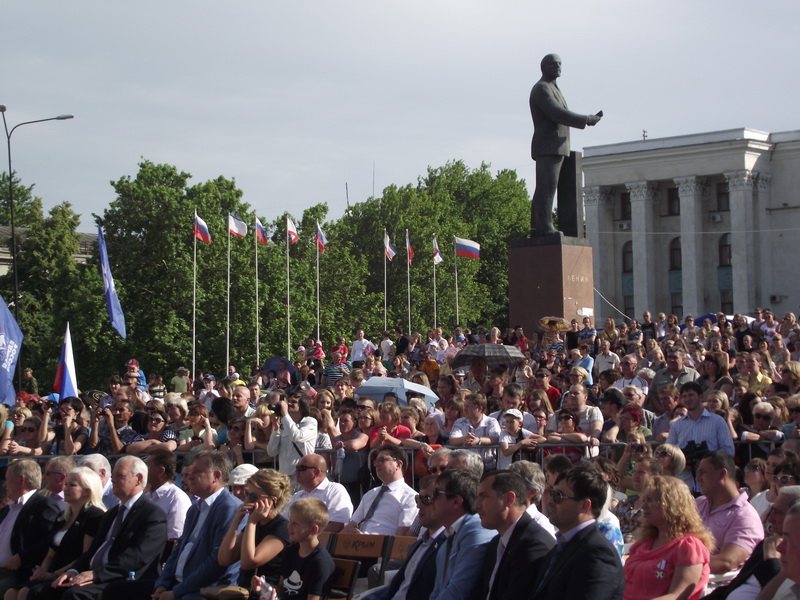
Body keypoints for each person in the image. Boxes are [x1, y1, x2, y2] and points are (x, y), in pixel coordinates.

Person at [33, 456, 167, 600]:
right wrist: (74, 570)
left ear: (138, 479)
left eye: (120, 475)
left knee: (74, 595)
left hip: (125, 580)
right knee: (39, 592)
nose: (113, 480)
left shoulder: (152, 515)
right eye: (113, 475)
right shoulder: (111, 514)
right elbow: (93, 550)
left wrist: (96, 574)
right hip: (97, 577)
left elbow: (136, 557)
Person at [529, 53, 601, 236]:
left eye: (560, 64)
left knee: (550, 187)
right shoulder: (541, 88)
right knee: (547, 187)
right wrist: (586, 119)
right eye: (553, 64)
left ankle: (539, 226)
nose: (558, 66)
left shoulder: (554, 88)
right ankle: (543, 227)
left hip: (558, 146)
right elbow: (557, 113)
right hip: (548, 146)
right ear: (544, 67)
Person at [533, 463, 624, 600]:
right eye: (551, 493)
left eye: (558, 496)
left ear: (585, 505)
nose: (550, 501)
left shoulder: (598, 554)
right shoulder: (562, 545)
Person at [14, 467, 106, 600]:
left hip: (71, 575)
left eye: (72, 485)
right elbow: (50, 554)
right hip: (52, 573)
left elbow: (85, 555)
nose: (66, 488)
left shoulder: (94, 516)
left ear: (87, 491)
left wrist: (53, 574)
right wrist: (42, 571)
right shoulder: (63, 517)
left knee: (27, 593)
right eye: (66, 484)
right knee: (12, 592)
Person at [624, 476, 714, 600]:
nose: (643, 506)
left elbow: (677, 596)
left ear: (671, 505)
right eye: (644, 500)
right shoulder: (644, 543)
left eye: (650, 500)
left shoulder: (688, 546)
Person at [472, 470, 555, 600]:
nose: (476, 505)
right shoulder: (497, 543)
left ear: (509, 499)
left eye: (484, 497)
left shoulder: (533, 546)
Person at [361, 475, 445, 600]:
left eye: (426, 499)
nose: (418, 505)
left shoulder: (447, 545)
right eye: (418, 499)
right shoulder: (420, 544)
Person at [218, 468, 293, 593]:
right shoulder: (255, 525)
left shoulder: (282, 528)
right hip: (245, 591)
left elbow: (248, 562)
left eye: (253, 497)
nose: (247, 501)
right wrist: (236, 520)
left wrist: (251, 522)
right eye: (247, 494)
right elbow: (224, 559)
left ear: (272, 500)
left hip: (267, 594)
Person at [0, 459, 63, 597]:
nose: (4, 484)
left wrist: (22, 557)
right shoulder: (7, 510)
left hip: (18, 574)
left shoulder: (43, 505)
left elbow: (50, 540)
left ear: (21, 479)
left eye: (7, 479)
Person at [696, 451, 764, 575]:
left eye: (703, 472)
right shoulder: (699, 503)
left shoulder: (745, 516)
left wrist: (679, 566)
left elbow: (727, 562)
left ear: (722, 474)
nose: (698, 478)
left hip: (715, 584)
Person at [429, 470, 494, 600]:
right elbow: (437, 592)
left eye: (436, 494)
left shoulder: (476, 529)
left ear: (456, 502)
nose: (431, 500)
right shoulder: (447, 539)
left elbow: (459, 590)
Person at [667, 381, 735, 493]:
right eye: (684, 396)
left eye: (691, 395)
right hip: (684, 483)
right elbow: (668, 451)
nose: (688, 399)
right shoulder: (676, 425)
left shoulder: (717, 421)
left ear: (701, 397)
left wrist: (708, 462)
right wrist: (682, 463)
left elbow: (728, 451)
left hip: (711, 482)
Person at [261, 498, 334, 600]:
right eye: (290, 521)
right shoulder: (290, 551)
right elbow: (282, 589)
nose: (288, 527)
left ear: (314, 529)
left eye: (295, 524)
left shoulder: (320, 563)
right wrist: (265, 588)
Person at [343, 444, 417, 536]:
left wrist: (365, 539)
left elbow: (401, 538)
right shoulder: (370, 494)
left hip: (384, 544)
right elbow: (350, 526)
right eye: (376, 461)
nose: (377, 464)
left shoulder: (411, 497)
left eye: (382, 460)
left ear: (398, 464)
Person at [282, 454, 353, 533]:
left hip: (324, 540)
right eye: (296, 468)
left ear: (316, 472)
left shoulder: (335, 490)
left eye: (301, 468)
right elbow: (284, 522)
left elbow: (337, 524)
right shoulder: (297, 496)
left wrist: (310, 539)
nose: (296, 471)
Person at [145, 449, 192, 550]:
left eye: (147, 466)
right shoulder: (146, 496)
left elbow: (175, 540)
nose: (142, 470)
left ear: (160, 471)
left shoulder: (177, 499)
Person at [266, 393, 317, 483]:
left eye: (294, 402)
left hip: (302, 476)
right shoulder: (284, 423)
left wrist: (285, 414)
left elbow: (297, 436)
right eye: (289, 401)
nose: (289, 404)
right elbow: (271, 452)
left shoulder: (310, 422)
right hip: (284, 477)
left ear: (302, 407)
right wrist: (276, 429)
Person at [448, 394, 501, 471]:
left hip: (487, 467)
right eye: (464, 406)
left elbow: (496, 438)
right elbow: (452, 440)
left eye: (468, 407)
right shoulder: (460, 422)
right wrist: (464, 439)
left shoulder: (491, 421)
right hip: (464, 467)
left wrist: (478, 440)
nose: (464, 409)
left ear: (479, 409)